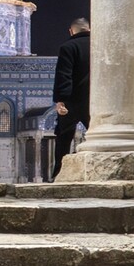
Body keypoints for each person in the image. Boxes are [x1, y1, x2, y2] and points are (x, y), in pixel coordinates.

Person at [51, 17, 91, 181]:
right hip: (94, 102)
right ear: (89, 29)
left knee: (63, 138)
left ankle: (59, 175)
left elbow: (64, 75)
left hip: (72, 102)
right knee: (99, 136)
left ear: (71, 31)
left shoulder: (68, 47)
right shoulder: (99, 46)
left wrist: (60, 100)